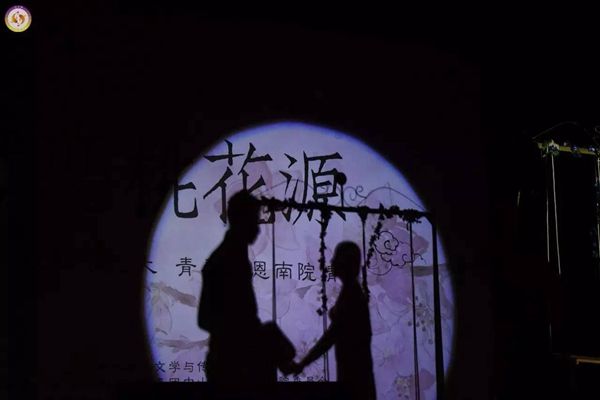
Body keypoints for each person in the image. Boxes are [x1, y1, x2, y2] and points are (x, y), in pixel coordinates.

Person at [197, 190, 294, 390]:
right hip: (235, 368)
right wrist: (250, 337)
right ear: (241, 221)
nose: (258, 230)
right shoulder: (226, 261)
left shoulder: (230, 257)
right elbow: (207, 318)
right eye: (254, 222)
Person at [291, 241, 376, 400]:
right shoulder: (351, 292)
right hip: (355, 374)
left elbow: (330, 337)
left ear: (346, 264)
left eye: (336, 257)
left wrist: (303, 363)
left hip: (354, 378)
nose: (331, 261)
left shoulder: (351, 297)